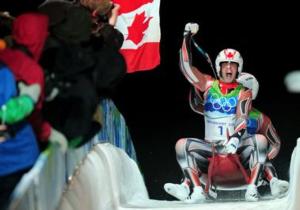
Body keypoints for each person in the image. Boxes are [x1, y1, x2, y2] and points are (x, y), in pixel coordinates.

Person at [164, 22, 278, 203]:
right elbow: (186, 67)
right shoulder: (208, 85)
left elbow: (242, 117)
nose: (229, 68)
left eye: (233, 65)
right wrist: (186, 36)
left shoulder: (244, 92)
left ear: (238, 68)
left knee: (260, 140)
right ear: (219, 67)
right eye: (225, 64)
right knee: (181, 145)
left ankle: (253, 188)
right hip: (211, 150)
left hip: (237, 150)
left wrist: (234, 138)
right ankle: (195, 189)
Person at [189, 72, 289, 198]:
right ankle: (186, 185)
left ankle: (273, 181)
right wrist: (195, 85)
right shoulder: (221, 109)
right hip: (220, 158)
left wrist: (264, 158)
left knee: (259, 150)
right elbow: (196, 105)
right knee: (195, 154)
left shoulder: (260, 118)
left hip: (245, 160)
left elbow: (276, 143)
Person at [0, 12, 67, 152]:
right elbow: (33, 115)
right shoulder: (32, 71)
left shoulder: (3, 54)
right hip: (14, 142)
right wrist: (47, 133)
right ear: (40, 38)